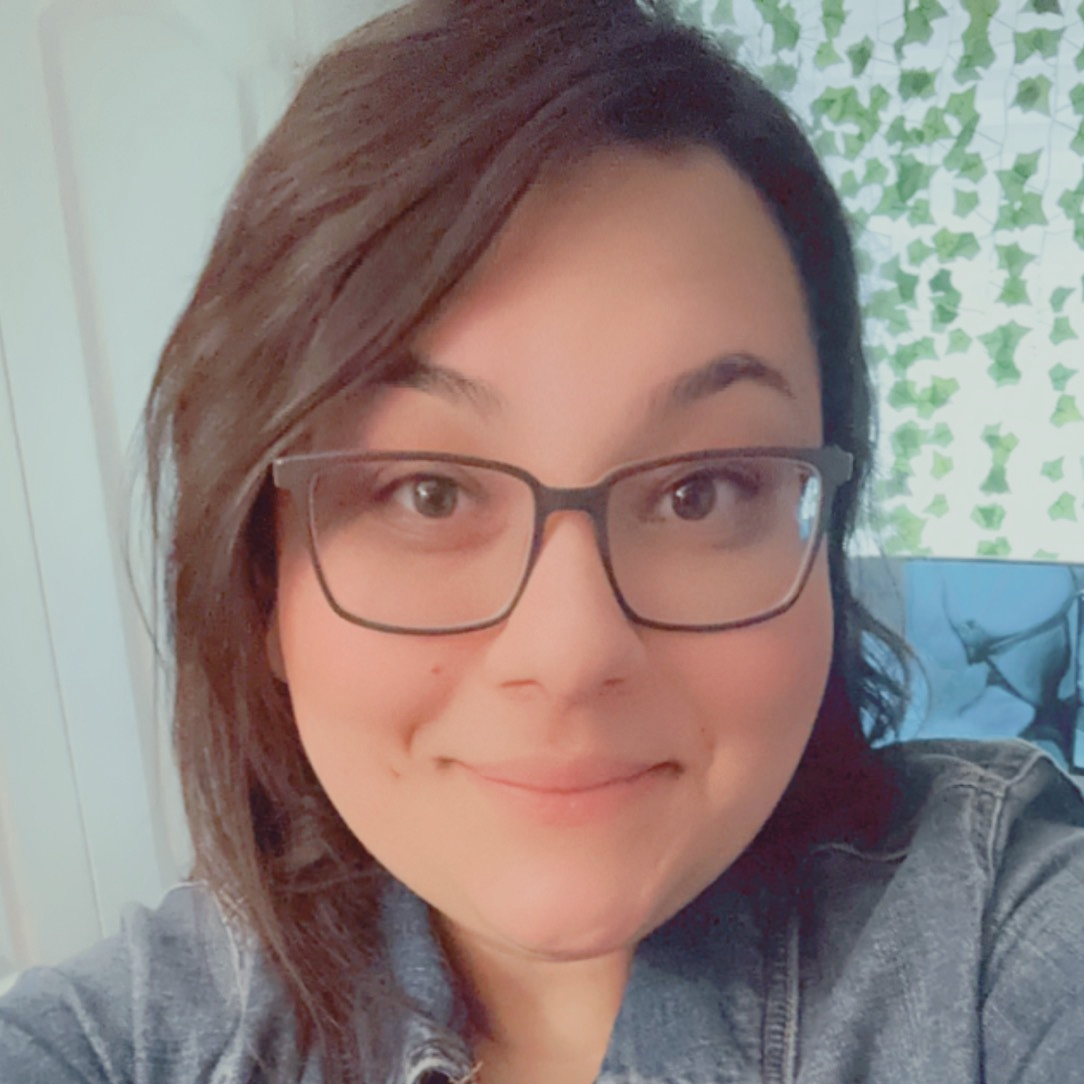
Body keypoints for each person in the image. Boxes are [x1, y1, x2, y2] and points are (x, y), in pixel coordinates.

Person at [2, 1, 1082, 1081]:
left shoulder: (1001, 941)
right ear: (261, 581)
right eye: (427, 492)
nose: (569, 654)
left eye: (703, 491)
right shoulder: (131, 1037)